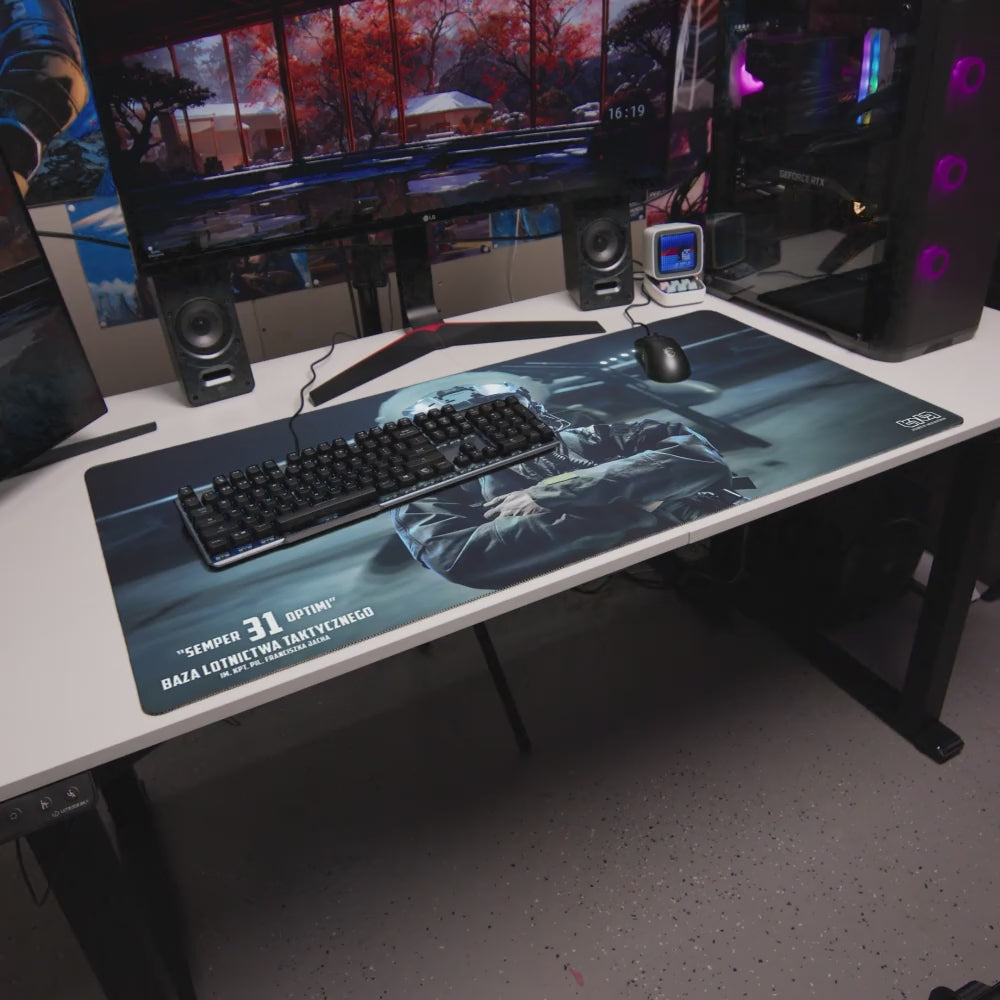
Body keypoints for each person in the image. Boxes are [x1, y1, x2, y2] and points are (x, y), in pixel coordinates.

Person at [386, 380, 745, 590]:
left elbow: (700, 458)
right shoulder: (428, 492)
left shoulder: (588, 438)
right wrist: (634, 506)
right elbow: (460, 559)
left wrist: (552, 495)